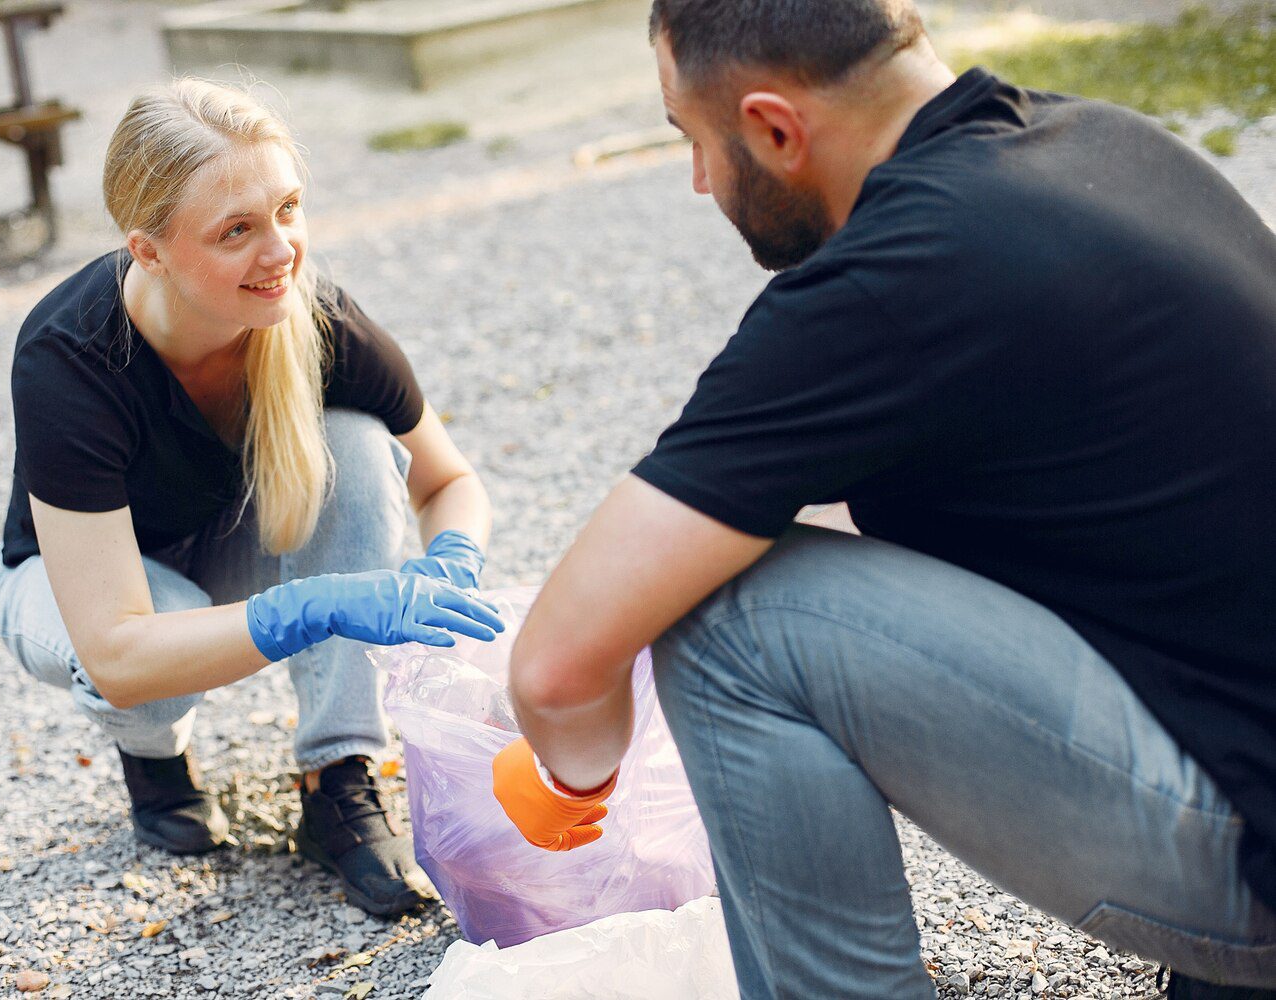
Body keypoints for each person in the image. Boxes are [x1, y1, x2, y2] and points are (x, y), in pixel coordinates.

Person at [490, 0, 1276, 995]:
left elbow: (560, 666)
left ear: (774, 129)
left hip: (1252, 855)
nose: (696, 178)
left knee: (728, 618)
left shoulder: (887, 284)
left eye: (692, 138)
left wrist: (574, 782)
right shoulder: (1104, 143)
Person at [0, 78, 505, 917]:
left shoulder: (315, 315)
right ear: (147, 251)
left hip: (226, 550)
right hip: (75, 591)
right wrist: (311, 606)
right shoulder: (70, 357)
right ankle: (154, 756)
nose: (282, 252)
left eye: (289, 209)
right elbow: (119, 647)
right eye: (237, 230)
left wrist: (453, 559)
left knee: (357, 443)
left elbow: (450, 481)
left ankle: (337, 777)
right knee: (148, 676)